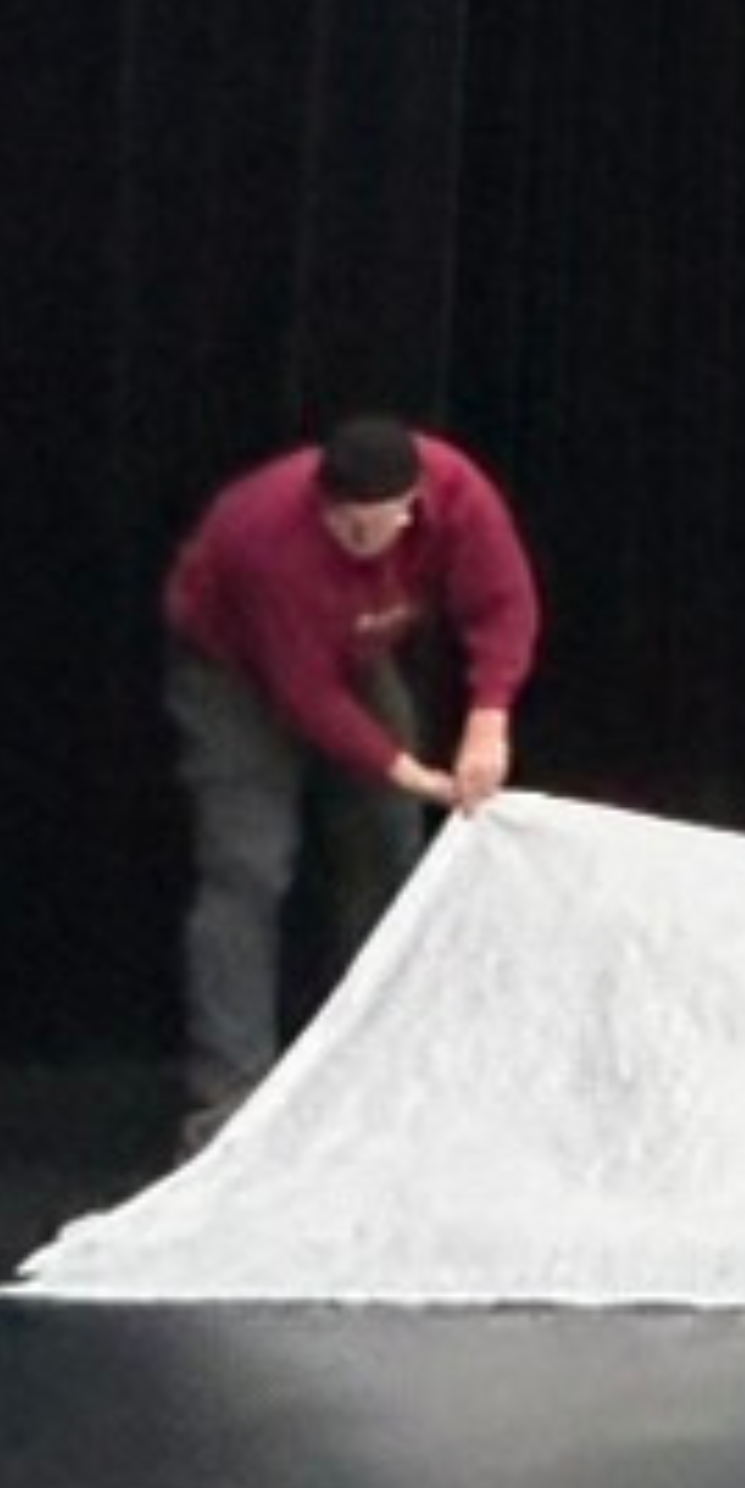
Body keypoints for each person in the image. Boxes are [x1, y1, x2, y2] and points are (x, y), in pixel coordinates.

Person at [158, 413, 541, 1147]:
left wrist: (488, 720)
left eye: (381, 525)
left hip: (356, 652)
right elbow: (306, 696)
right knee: (249, 867)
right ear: (323, 504)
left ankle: (376, 1070)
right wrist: (413, 774)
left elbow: (504, 605)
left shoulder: (461, 496)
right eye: (348, 528)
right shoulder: (262, 534)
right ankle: (226, 1109)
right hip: (232, 669)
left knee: (388, 848)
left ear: (414, 501)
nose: (365, 543)